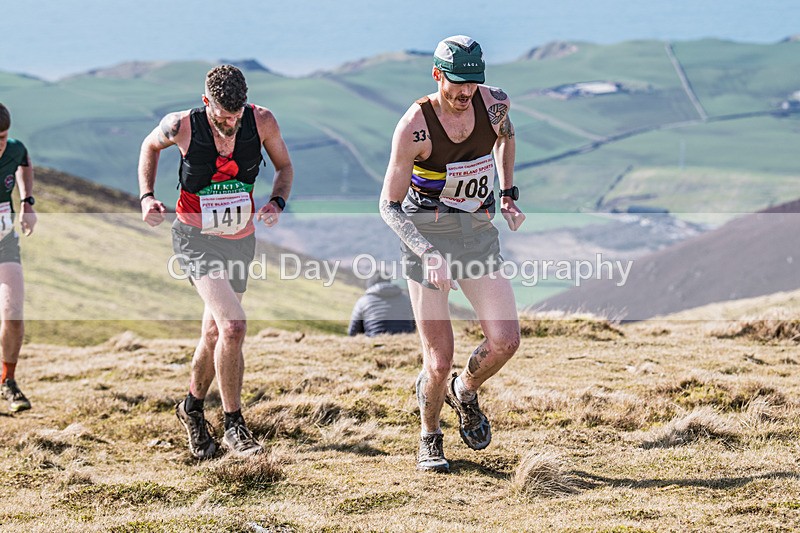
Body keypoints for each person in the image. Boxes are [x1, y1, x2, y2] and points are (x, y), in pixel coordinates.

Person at [379, 36, 525, 473]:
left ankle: (466, 389)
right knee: (437, 359)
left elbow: (506, 136)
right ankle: (429, 436)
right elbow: (388, 204)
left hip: (476, 236)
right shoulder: (414, 127)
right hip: (426, 237)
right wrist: (426, 252)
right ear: (437, 75)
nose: (466, 93)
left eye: (473, 83)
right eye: (457, 83)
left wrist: (508, 193)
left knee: (505, 341)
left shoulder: (495, 104)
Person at [138, 65, 293, 459]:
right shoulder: (180, 126)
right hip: (195, 239)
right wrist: (147, 196)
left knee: (214, 335)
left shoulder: (262, 121)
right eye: (223, 116)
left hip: (240, 240)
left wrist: (277, 200)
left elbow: (284, 167)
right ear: (207, 102)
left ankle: (191, 408)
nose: (230, 123)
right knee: (234, 325)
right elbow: (148, 147)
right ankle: (234, 425)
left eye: (236, 115)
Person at [0, 104, 37, 413]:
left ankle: (8, 382)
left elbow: (24, 163)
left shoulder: (14, 149)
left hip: (4, 242)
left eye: (2, 137)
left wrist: (27, 201)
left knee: (13, 313)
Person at [348, 271, 416, 337]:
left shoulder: (363, 301)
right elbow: (413, 326)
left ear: (370, 284)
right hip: (405, 341)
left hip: (375, 342)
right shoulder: (406, 299)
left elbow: (353, 332)